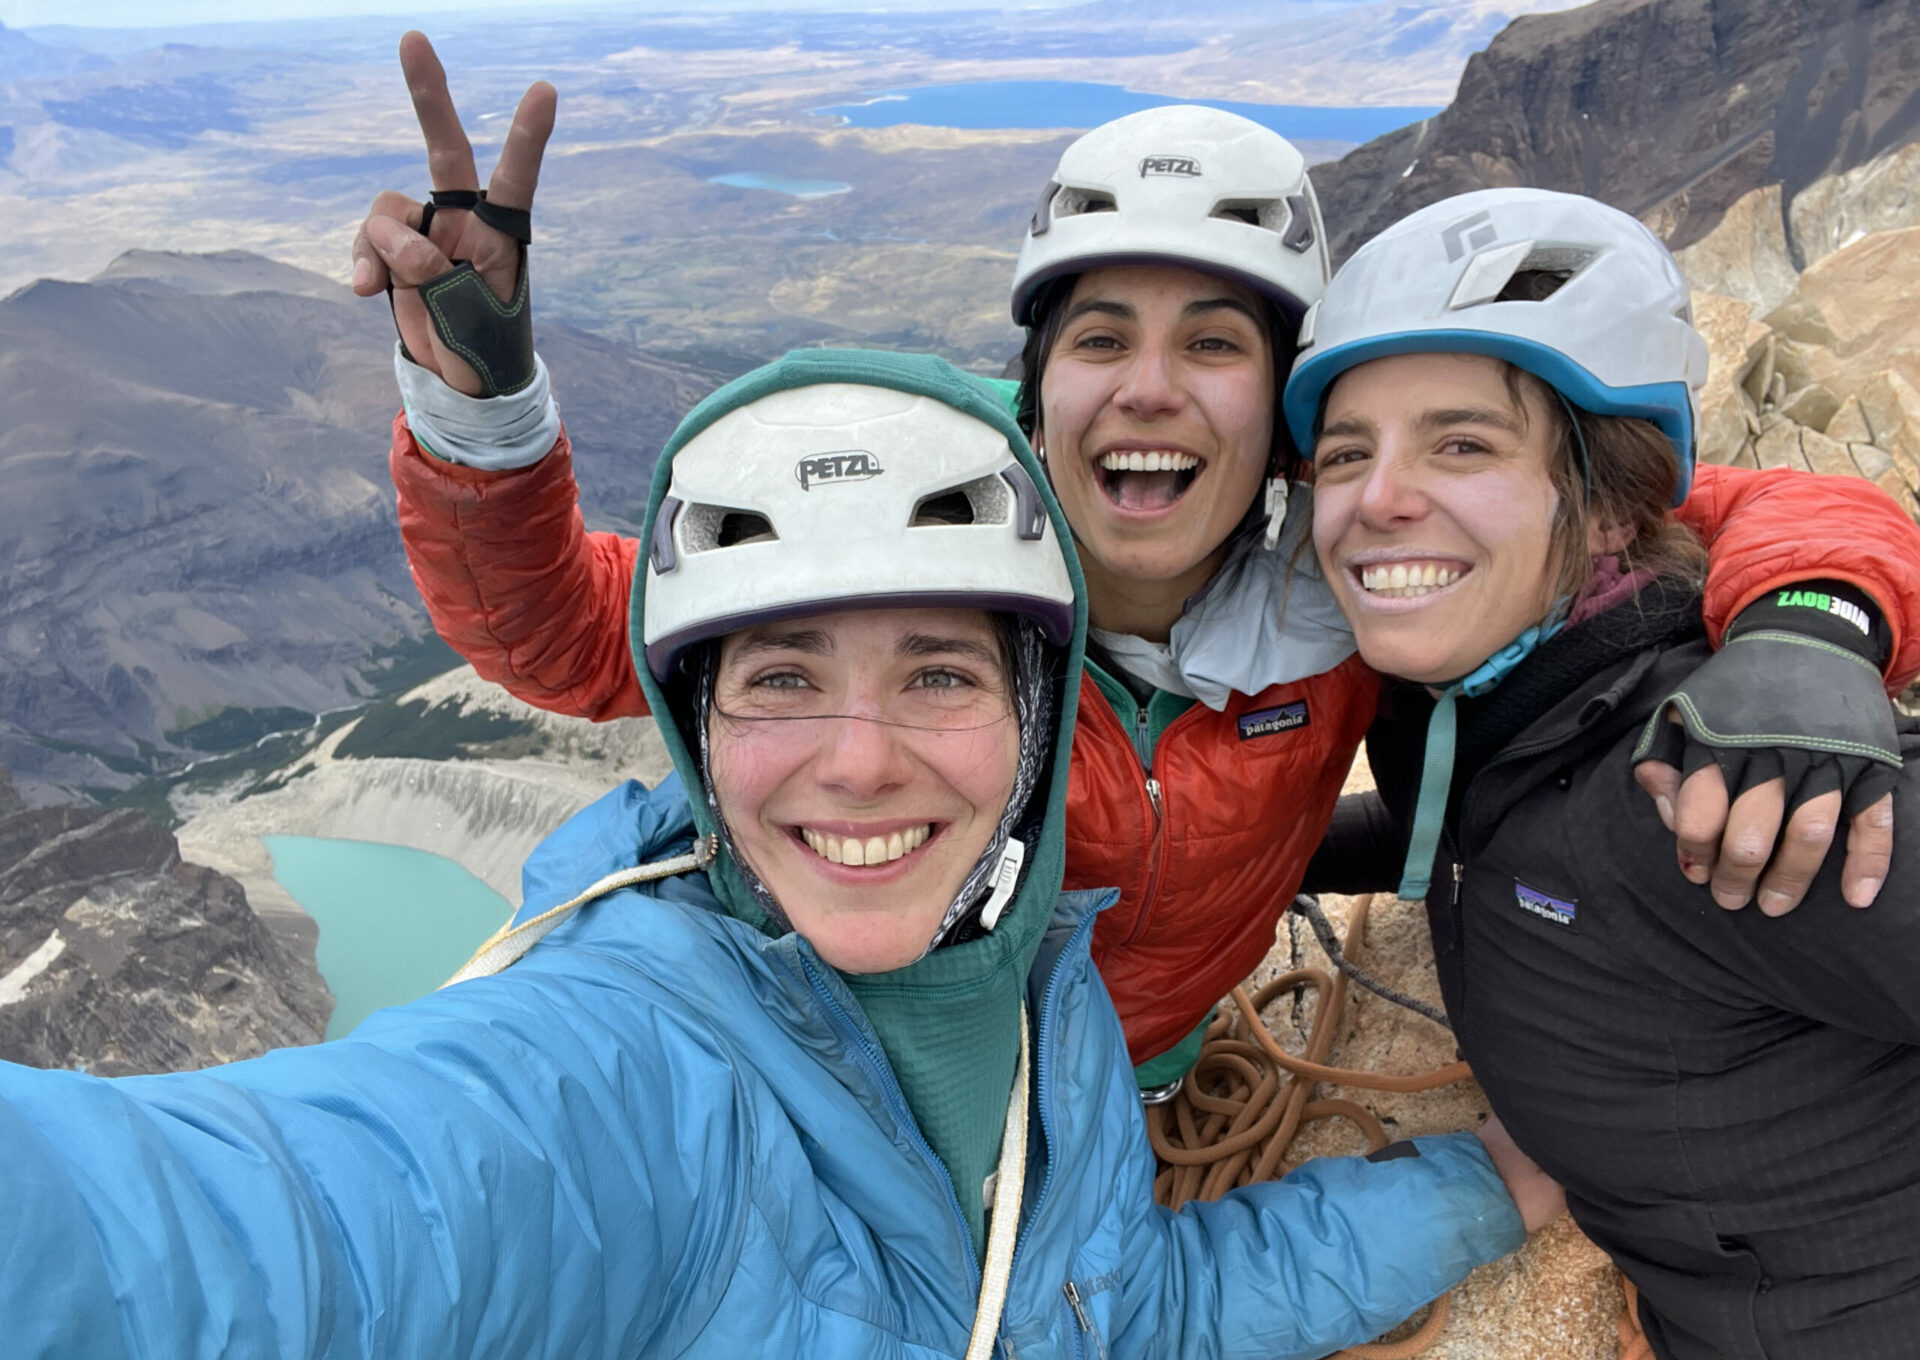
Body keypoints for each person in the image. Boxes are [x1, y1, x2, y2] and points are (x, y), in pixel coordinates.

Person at [0, 347, 1560, 1360]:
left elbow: (1111, 1311)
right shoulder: (624, 1082)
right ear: (697, 730)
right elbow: (202, 1262)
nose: (860, 762)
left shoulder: (1030, 983)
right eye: (782, 680)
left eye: (939, 674)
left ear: (1036, 717)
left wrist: (1479, 1190)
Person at [350, 35, 1920, 1098]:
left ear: (1288, 415)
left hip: (1131, 1099)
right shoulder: (925, 567)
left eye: (1215, 344)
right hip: (887, 1090)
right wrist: (483, 412)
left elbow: (1702, 501)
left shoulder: (1365, 583)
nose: (1151, 389)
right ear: (1037, 392)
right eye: (1102, 338)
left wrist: (1812, 625)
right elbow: (564, 636)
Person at [1286, 186, 1918, 1360]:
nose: (1379, 498)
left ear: (1617, 504)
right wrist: (1269, 854)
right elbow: (1488, 845)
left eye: (1462, 444)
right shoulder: (1490, 708)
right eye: (1348, 451)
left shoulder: (1721, 783)